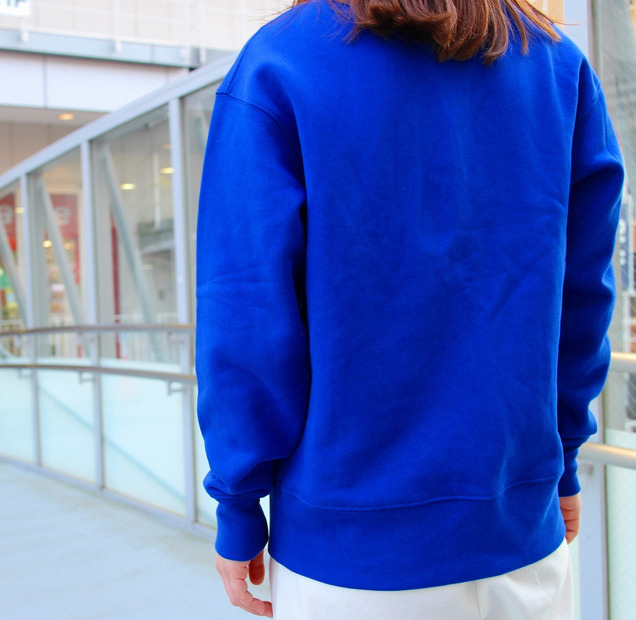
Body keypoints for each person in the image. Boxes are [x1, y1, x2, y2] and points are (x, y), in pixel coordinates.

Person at [195, 0, 624, 617]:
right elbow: (583, 298)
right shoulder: (556, 63)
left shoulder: (281, 61)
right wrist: (562, 461)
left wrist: (238, 506)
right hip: (522, 542)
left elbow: (247, 309)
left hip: (351, 559)